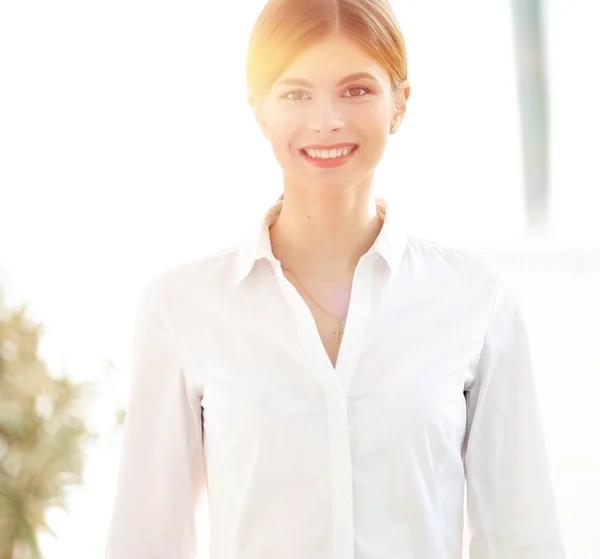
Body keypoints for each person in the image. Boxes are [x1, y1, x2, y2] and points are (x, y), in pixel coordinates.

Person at [105, 0, 567, 557]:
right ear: (259, 110)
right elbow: (146, 538)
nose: (326, 120)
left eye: (356, 90)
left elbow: (522, 535)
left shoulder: (476, 298)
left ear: (400, 103)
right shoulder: (182, 307)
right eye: (296, 93)